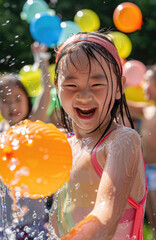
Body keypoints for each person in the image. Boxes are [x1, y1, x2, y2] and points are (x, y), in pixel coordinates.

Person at [49, 31, 147, 240]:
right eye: (71, 85)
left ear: (119, 87)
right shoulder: (64, 146)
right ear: (57, 86)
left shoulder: (122, 141)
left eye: (97, 84)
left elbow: (105, 218)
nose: (84, 95)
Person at [0, 42, 53, 239]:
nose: (12, 105)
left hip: (33, 219)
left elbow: (46, 90)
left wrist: (41, 61)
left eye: (17, 98)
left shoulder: (30, 126)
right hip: (4, 223)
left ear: (27, 99)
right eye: (4, 101)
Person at [127, 62, 156, 240]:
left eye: (147, 81)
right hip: (147, 171)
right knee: (153, 220)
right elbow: (125, 103)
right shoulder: (147, 109)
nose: (142, 85)